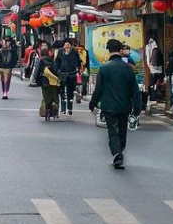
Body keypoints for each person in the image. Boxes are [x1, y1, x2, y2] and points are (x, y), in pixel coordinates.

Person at [90, 40, 142, 169]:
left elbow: (99, 90)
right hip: (125, 106)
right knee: (122, 130)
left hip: (109, 106)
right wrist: (137, 108)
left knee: (112, 131)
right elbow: (135, 91)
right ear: (120, 50)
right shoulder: (128, 69)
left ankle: (117, 153)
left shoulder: (104, 69)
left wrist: (93, 103)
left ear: (108, 50)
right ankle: (120, 151)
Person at [54, 39, 83, 116]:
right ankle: (63, 108)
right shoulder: (60, 51)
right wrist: (57, 71)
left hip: (72, 74)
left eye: (68, 45)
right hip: (62, 74)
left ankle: (70, 108)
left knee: (70, 92)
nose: (67, 46)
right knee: (62, 91)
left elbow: (78, 62)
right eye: (65, 45)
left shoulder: (74, 52)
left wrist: (78, 70)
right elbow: (57, 62)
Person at [145, 38, 164, 103]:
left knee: (153, 84)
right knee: (157, 83)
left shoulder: (149, 48)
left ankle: (153, 97)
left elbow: (148, 58)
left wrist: (149, 66)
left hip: (153, 69)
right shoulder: (157, 49)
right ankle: (158, 96)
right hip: (159, 69)